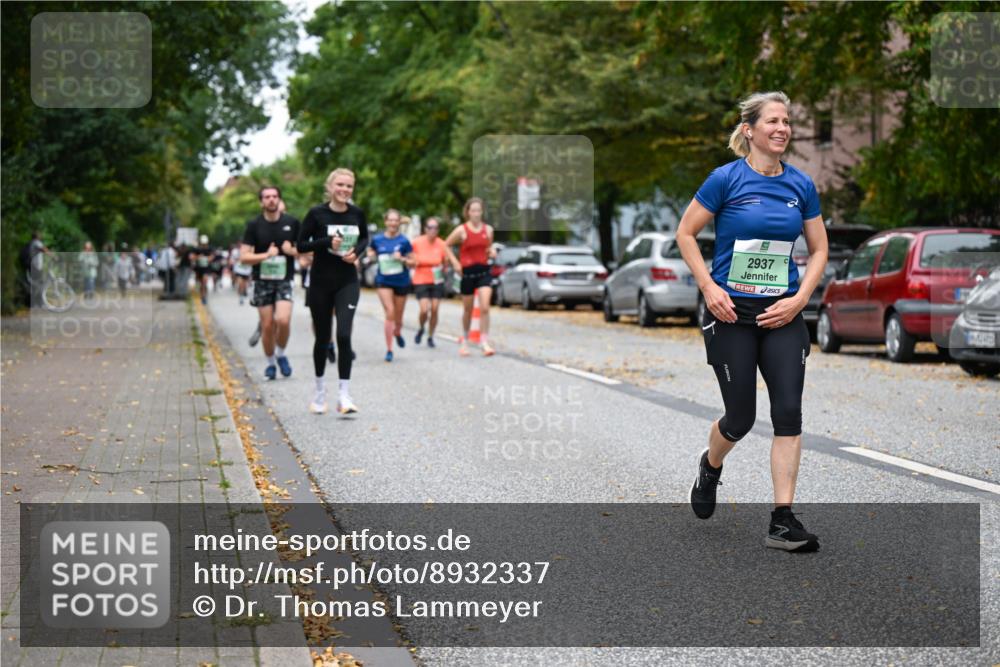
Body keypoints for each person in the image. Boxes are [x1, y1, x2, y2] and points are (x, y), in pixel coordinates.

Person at [676, 91, 829, 553]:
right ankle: (710, 466)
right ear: (750, 130)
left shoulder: (800, 185)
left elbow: (819, 249)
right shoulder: (725, 180)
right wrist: (709, 287)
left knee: (788, 412)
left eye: (787, 122)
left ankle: (782, 520)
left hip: (782, 314)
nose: (782, 128)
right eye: (773, 121)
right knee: (741, 417)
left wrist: (800, 299)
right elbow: (686, 233)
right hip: (730, 314)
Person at [297, 167, 369, 414]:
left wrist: (355, 253)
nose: (344, 190)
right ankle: (319, 394)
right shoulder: (317, 214)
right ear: (330, 187)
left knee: (345, 336)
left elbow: (365, 239)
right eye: (340, 185)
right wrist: (326, 242)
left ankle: (344, 395)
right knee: (323, 337)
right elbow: (301, 244)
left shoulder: (357, 213)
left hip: (347, 281)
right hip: (320, 282)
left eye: (349, 186)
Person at [239, 186, 300, 380]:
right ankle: (271, 364)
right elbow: (243, 257)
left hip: (284, 279)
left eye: (274, 196)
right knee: (267, 325)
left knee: (283, 320)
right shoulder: (254, 225)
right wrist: (267, 255)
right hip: (262, 281)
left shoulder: (292, 223)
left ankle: (281, 354)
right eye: (267, 197)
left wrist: (291, 251)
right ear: (261, 202)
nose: (271, 200)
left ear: (279, 200)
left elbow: (306, 251)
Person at [444, 197, 497, 356]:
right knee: (467, 309)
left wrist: (491, 251)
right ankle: (465, 340)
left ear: (482, 212)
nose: (476, 214)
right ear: (467, 212)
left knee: (485, 307)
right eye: (473, 210)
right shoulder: (461, 230)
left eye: (478, 211)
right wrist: (455, 263)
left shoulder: (488, 230)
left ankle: (484, 342)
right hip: (467, 273)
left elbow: (488, 248)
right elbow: (446, 244)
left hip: (483, 272)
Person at [367, 209, 415, 362]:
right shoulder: (377, 239)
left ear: (399, 222)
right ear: (386, 222)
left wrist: (402, 259)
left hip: (401, 281)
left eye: (396, 220)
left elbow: (413, 262)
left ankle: (398, 332)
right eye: (390, 220)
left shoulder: (404, 241)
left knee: (398, 318)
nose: (393, 223)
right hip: (384, 280)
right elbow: (370, 250)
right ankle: (389, 349)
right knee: (390, 311)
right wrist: (371, 255)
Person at [410, 216, 456, 348]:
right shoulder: (416, 242)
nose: (433, 230)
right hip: (421, 279)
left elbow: (445, 264)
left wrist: (447, 263)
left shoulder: (442, 244)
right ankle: (421, 328)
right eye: (430, 227)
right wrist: (412, 261)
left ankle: (430, 336)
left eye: (435, 228)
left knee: (435, 309)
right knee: (425, 309)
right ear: (425, 229)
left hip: (437, 279)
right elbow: (410, 259)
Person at [190, 235, 215, 305]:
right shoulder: (196, 249)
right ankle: (202, 294)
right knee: (201, 283)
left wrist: (207, 258)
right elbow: (191, 257)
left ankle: (204, 296)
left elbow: (212, 257)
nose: (204, 245)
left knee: (204, 281)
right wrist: (198, 257)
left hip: (206, 268)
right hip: (198, 269)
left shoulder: (210, 249)